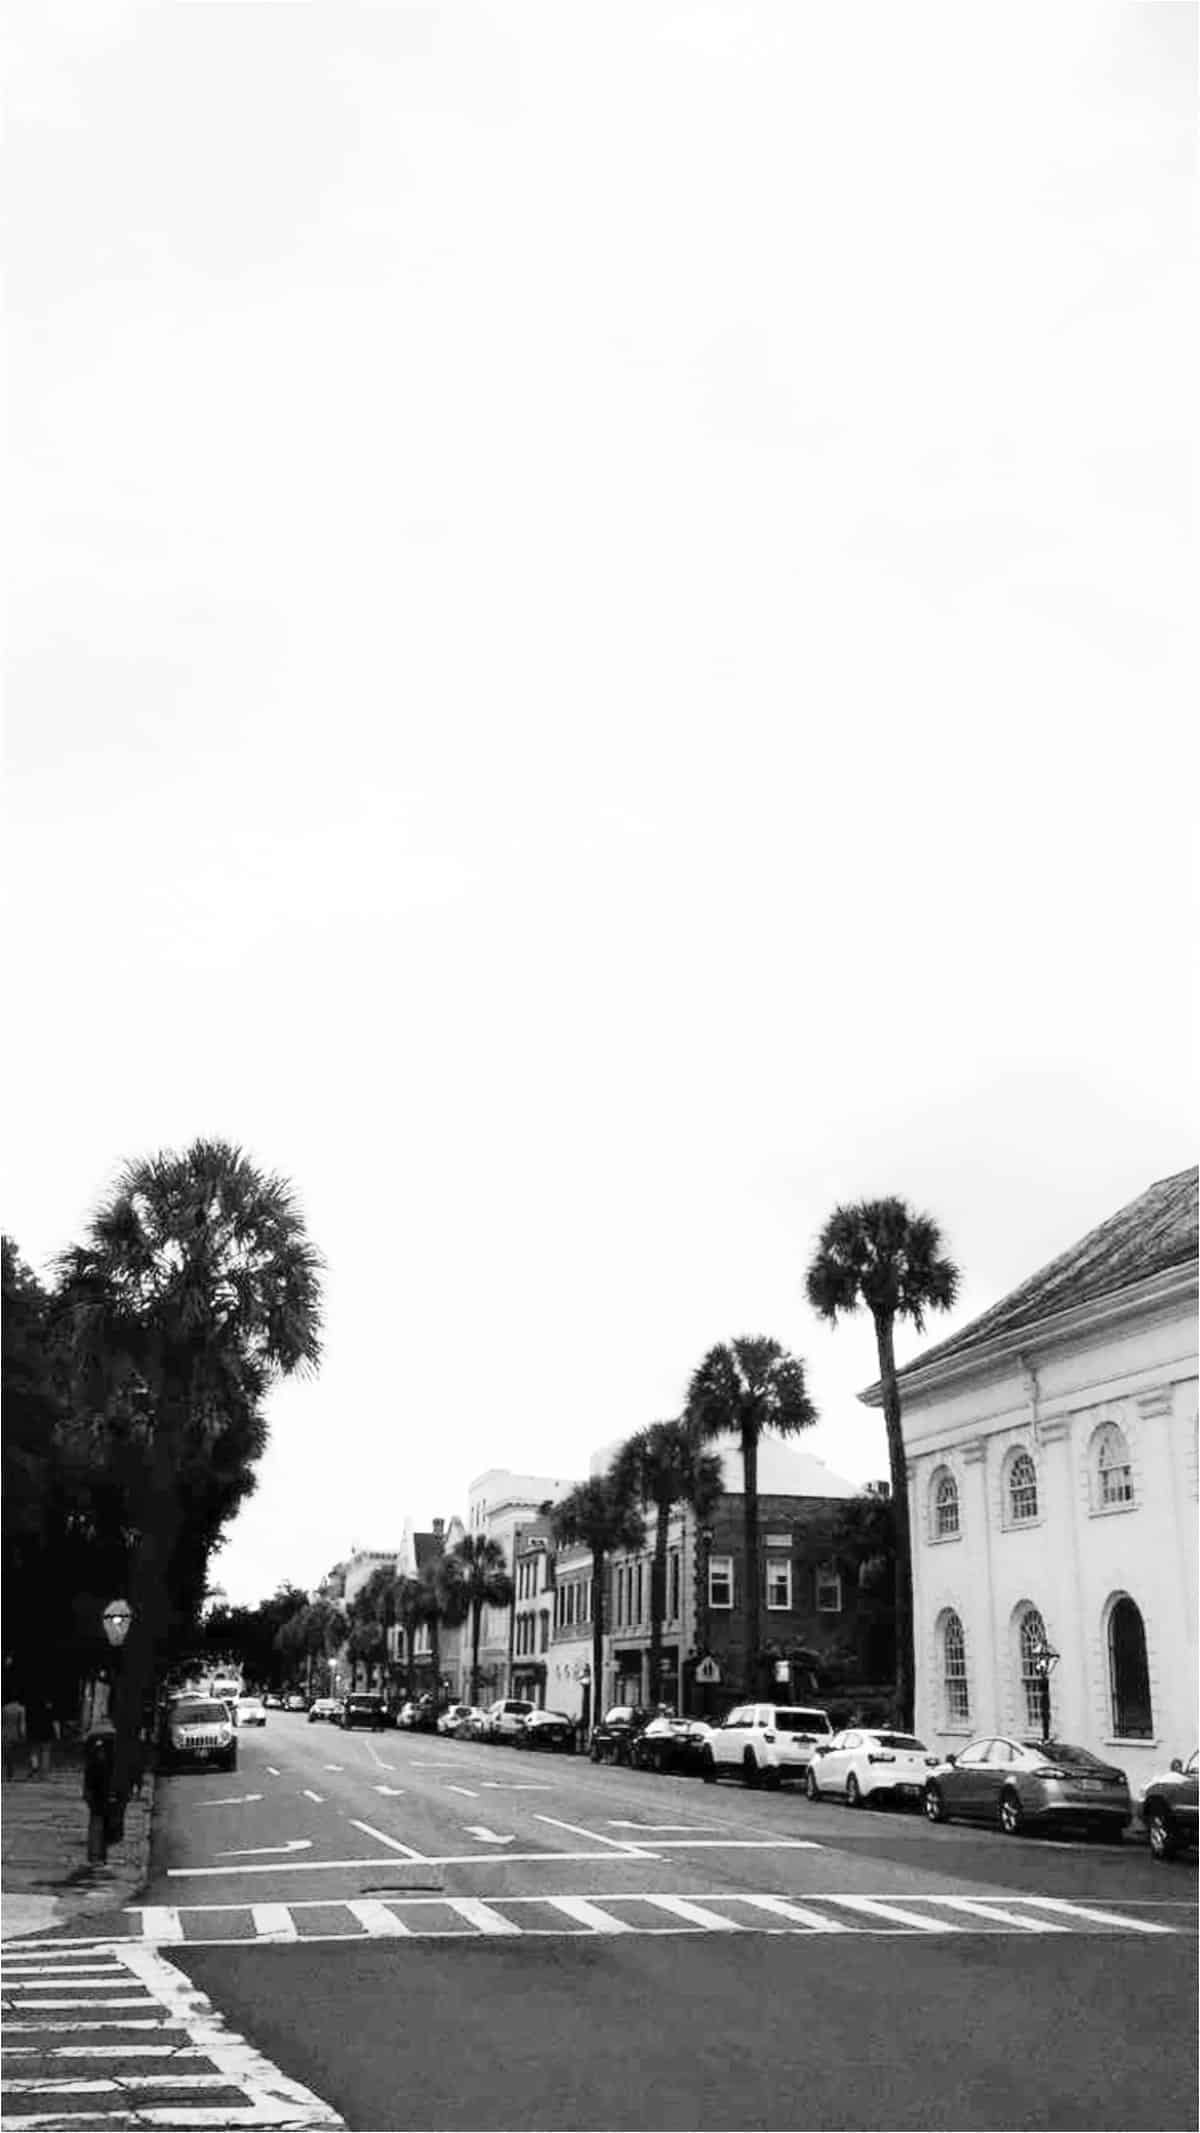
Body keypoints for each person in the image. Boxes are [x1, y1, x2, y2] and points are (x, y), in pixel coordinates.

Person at [26, 1696, 57, 1780]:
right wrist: (57, 1735)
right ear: (47, 1704)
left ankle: (35, 1769)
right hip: (47, 1735)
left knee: (34, 1752)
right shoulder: (51, 1712)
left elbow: (30, 1724)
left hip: (35, 1734)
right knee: (45, 1753)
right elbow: (55, 1723)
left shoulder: (34, 1712)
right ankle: (44, 1774)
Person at [2, 1689, 27, 1782]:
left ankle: (9, 1774)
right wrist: (23, 1734)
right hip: (16, 1733)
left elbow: (2, 1722)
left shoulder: (4, 1708)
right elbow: (22, 1723)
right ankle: (13, 1774)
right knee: (16, 1755)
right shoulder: (21, 1709)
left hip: (5, 1733)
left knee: (8, 1755)